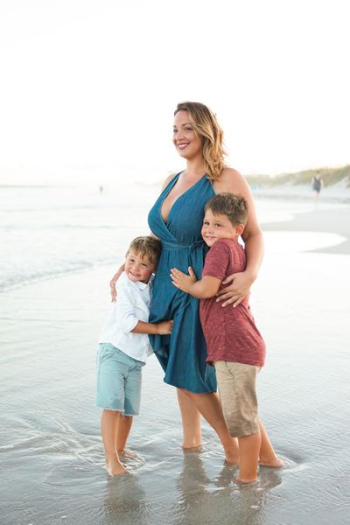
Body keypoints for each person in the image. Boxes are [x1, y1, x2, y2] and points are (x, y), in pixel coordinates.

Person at [110, 101, 264, 462]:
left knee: (187, 367)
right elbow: (157, 240)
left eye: (187, 128)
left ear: (206, 131)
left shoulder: (226, 178)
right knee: (179, 365)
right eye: (175, 129)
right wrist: (126, 269)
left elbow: (253, 234)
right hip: (163, 283)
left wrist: (248, 277)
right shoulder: (171, 180)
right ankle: (192, 442)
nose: (179, 136)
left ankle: (236, 450)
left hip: (198, 284)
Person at [171, 193, 282, 483]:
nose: (208, 229)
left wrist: (189, 284)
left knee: (243, 422)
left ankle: (248, 478)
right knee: (244, 413)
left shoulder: (221, 249)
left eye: (218, 225)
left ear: (237, 230)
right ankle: (269, 463)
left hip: (235, 348)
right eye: (206, 223)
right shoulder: (237, 250)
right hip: (243, 344)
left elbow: (208, 289)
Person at [97, 236, 173, 476]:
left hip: (135, 358)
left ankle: (120, 449)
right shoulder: (124, 285)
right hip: (114, 351)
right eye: (130, 261)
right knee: (112, 407)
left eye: (143, 265)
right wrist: (159, 329)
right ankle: (111, 460)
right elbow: (128, 323)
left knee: (129, 410)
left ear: (153, 269)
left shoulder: (149, 285)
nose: (134, 268)